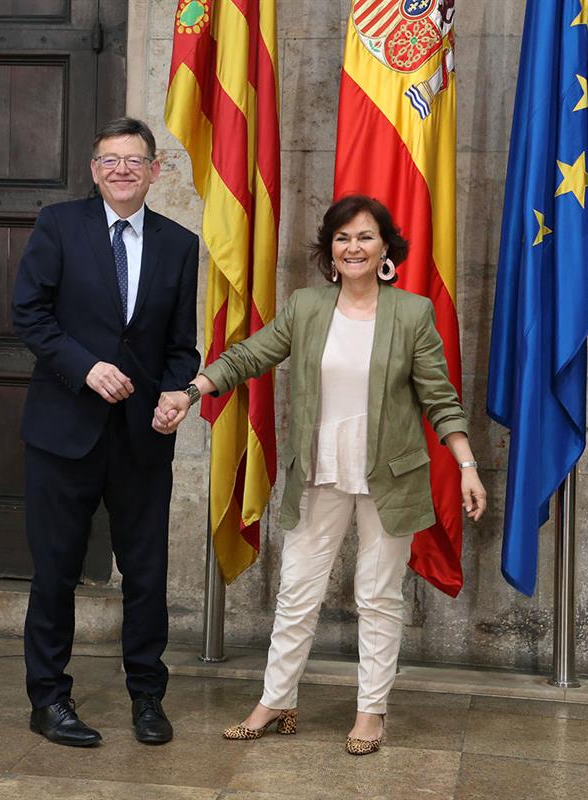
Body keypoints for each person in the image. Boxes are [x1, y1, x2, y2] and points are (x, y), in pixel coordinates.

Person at [153, 195, 486, 755]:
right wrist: (190, 392)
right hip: (319, 471)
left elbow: (440, 398)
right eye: (342, 238)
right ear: (329, 251)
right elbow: (247, 357)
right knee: (297, 592)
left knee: (378, 597)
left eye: (364, 237)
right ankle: (276, 699)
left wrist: (468, 466)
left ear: (385, 248)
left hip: (391, 477)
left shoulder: (411, 313)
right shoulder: (307, 307)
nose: (353, 247)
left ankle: (371, 711)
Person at [12, 117, 200, 747]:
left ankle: (148, 696)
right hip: (64, 430)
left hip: (144, 436)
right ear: (95, 170)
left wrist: (177, 391)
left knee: (146, 575)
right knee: (56, 570)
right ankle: (50, 700)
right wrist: (84, 368)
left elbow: (180, 345)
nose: (122, 170)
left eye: (135, 160)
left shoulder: (179, 243)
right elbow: (29, 314)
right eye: (110, 159)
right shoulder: (59, 225)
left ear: (155, 171)